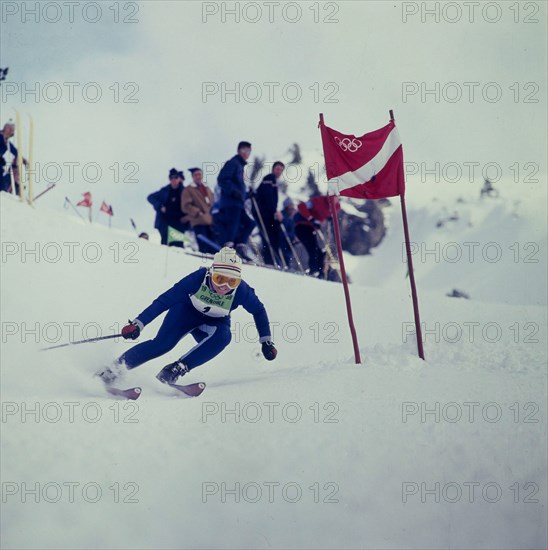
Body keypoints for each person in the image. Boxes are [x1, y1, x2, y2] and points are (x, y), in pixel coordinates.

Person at [98, 247, 277, 385]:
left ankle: (176, 369)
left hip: (213, 325)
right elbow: (164, 301)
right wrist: (138, 324)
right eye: (220, 279)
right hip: (184, 314)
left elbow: (259, 311)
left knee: (224, 336)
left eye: (232, 281)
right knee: (162, 345)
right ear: (211, 273)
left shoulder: (242, 291)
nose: (224, 286)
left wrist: (266, 341)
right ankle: (113, 370)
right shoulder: (197, 279)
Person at [216, 141, 256, 257]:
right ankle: (228, 248)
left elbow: (239, 188)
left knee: (250, 223)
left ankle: (240, 246)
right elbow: (222, 179)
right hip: (230, 202)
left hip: (238, 203)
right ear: (239, 150)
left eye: (248, 151)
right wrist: (232, 191)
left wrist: (249, 194)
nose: (246, 153)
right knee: (233, 225)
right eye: (244, 150)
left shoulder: (240, 166)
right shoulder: (233, 163)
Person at [294, 195, 338, 277]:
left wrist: (330, 217)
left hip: (312, 229)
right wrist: (311, 218)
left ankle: (320, 273)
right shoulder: (318, 201)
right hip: (302, 226)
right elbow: (301, 206)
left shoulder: (336, 206)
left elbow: (330, 214)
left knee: (320, 253)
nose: (333, 199)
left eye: (336, 197)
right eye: (332, 196)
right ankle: (314, 271)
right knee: (313, 250)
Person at [253, 161, 285, 266]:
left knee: (272, 236)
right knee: (270, 237)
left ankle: (272, 259)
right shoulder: (269, 178)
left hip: (268, 212)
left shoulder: (273, 180)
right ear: (273, 169)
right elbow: (267, 196)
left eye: (281, 170)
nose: (279, 171)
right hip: (265, 213)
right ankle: (270, 260)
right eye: (277, 169)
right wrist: (275, 211)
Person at [147, 168, 189, 245]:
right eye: (171, 178)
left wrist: (188, 216)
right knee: (165, 244)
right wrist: (160, 206)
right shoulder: (165, 190)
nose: (173, 180)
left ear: (179, 178)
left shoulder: (185, 191)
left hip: (178, 221)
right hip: (165, 221)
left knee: (178, 245)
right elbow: (150, 197)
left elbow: (191, 204)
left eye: (175, 177)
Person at [181, 167, 217, 254]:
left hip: (210, 221)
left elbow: (213, 202)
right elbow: (185, 206)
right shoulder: (188, 190)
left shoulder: (207, 189)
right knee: (203, 245)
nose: (198, 177)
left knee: (214, 245)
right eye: (196, 175)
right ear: (193, 177)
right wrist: (197, 212)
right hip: (198, 221)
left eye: (199, 174)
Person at [0, 121, 24, 194]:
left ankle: (3, 192)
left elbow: (14, 150)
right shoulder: (1, 137)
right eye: (10, 129)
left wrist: (22, 158)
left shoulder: (6, 141)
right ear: (6, 129)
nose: (11, 132)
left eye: (13, 130)